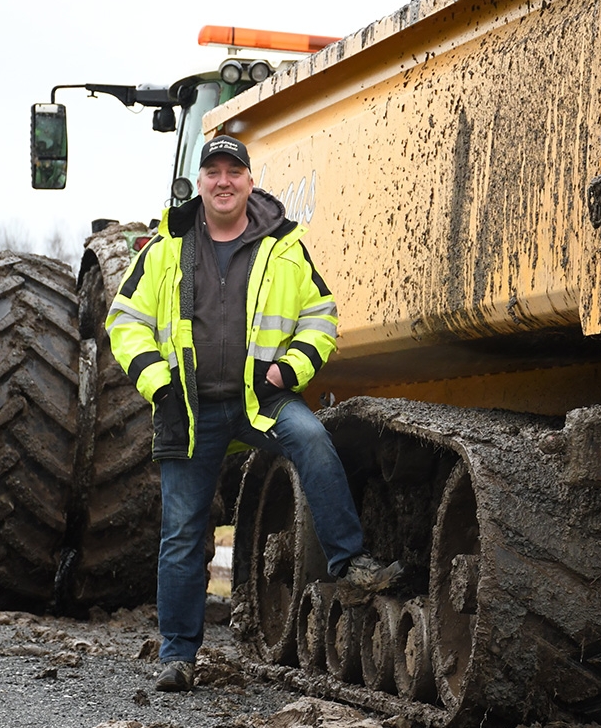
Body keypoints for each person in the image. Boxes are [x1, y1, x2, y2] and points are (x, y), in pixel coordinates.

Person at [105, 135, 403, 692]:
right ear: (200, 182)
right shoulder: (166, 246)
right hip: (188, 408)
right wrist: (158, 382)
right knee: (182, 534)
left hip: (261, 400)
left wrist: (291, 369)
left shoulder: (283, 246)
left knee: (313, 438)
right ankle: (178, 656)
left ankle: (349, 563)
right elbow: (124, 319)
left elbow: (320, 315)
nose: (223, 181)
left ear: (248, 180)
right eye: (213, 171)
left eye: (233, 171)